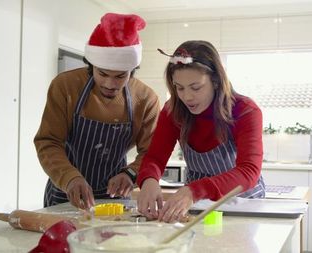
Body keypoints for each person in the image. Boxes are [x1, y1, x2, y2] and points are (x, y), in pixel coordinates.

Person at [34, 13, 160, 209]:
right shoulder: (65, 86)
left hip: (115, 198)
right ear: (91, 66)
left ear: (132, 70)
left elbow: (152, 152)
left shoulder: (145, 99)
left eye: (120, 76)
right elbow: (48, 142)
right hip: (65, 192)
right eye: (102, 73)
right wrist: (70, 178)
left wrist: (131, 174)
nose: (110, 84)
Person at [136, 40, 265, 223]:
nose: (187, 97)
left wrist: (195, 190)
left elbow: (249, 171)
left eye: (196, 87)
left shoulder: (245, 110)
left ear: (215, 80)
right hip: (196, 206)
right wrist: (149, 179)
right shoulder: (173, 111)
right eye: (179, 88)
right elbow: (155, 158)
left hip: (243, 204)